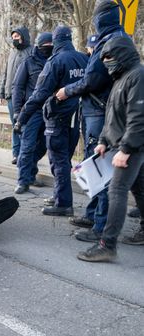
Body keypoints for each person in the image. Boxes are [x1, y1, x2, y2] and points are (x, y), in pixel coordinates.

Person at [56, 1, 128, 240]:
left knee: (100, 167)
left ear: (102, 18)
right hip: (98, 109)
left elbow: (92, 79)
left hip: (99, 110)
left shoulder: (110, 42)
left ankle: (100, 228)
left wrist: (67, 90)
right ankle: (92, 213)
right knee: (94, 163)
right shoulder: (116, 38)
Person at [77, 37, 144, 262]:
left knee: (117, 191)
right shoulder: (121, 78)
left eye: (109, 58)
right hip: (121, 144)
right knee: (139, 189)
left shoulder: (138, 76)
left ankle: (107, 244)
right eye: (103, 59)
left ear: (122, 55)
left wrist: (125, 149)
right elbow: (112, 115)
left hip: (133, 145)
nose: (106, 63)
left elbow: (138, 117)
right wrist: (104, 140)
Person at [16, 26, 88, 216]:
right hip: (78, 118)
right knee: (65, 159)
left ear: (56, 41)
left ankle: (63, 204)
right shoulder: (84, 58)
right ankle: (60, 196)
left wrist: (21, 117)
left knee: (58, 160)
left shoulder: (55, 62)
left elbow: (39, 95)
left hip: (58, 117)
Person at [12, 32, 53, 194]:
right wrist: (17, 112)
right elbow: (18, 88)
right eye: (45, 47)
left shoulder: (55, 61)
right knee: (27, 146)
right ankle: (23, 180)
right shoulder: (28, 62)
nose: (48, 49)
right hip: (32, 111)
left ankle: (30, 172)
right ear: (38, 46)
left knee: (44, 145)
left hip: (50, 111)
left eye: (51, 47)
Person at [0, 26, 32, 165]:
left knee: (25, 125)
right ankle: (16, 153)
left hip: (26, 96)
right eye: (13, 37)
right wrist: (2, 92)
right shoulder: (11, 52)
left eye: (17, 37)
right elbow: (6, 73)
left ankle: (26, 153)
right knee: (15, 125)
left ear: (23, 37)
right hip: (10, 95)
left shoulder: (31, 52)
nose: (15, 40)